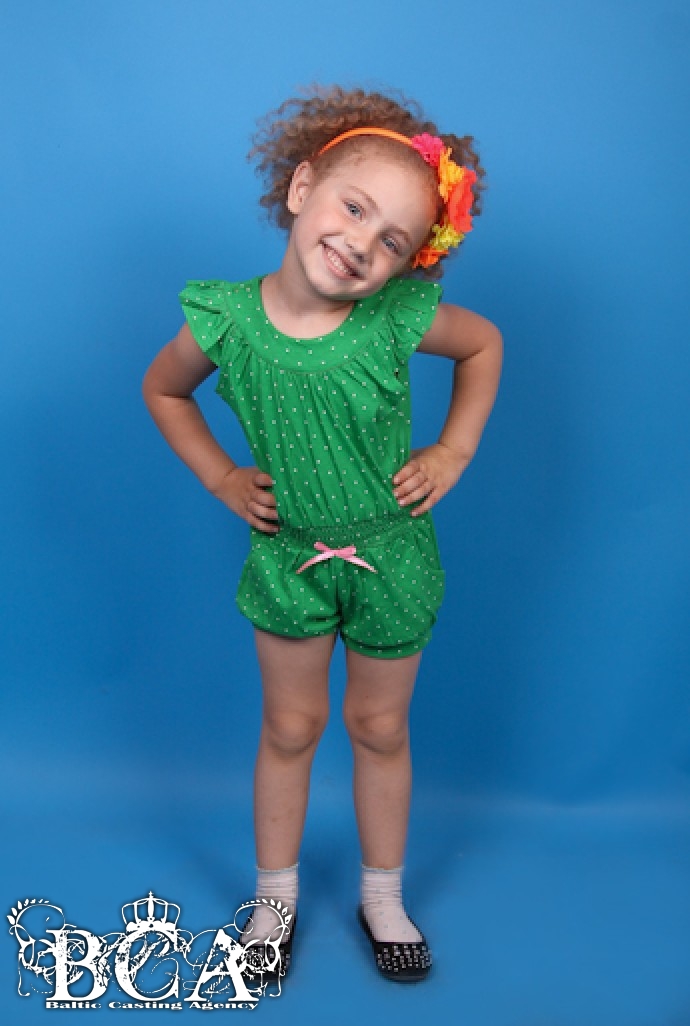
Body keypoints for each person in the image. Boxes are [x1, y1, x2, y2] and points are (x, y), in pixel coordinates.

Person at [143, 85, 502, 983]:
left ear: (408, 266)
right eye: (354, 208)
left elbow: (483, 344)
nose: (361, 244)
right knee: (291, 725)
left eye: (394, 242)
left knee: (379, 727)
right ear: (302, 187)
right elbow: (163, 389)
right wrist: (222, 476)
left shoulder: (396, 320)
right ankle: (275, 897)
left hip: (391, 557)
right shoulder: (226, 319)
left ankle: (384, 895)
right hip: (288, 559)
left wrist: (453, 450)